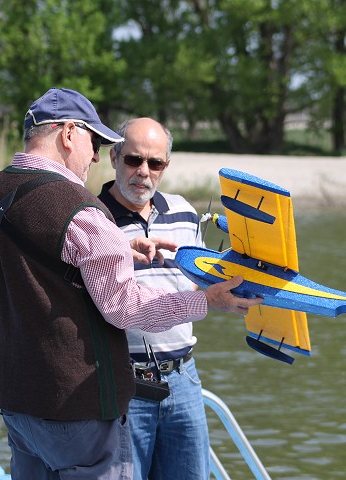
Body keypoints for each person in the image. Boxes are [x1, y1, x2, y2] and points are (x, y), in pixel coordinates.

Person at [0, 88, 261, 480]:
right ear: (69, 133)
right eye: (95, 141)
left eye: (155, 162)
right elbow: (125, 307)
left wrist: (117, 245)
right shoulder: (83, 211)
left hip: (18, 403)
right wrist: (206, 301)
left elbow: (39, 264)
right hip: (78, 408)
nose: (93, 155)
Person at [98, 118, 209, 479]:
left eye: (155, 163)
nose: (143, 172)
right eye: (133, 160)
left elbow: (200, 284)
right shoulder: (92, 219)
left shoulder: (185, 212)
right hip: (122, 384)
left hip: (184, 378)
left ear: (166, 166)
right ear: (114, 156)